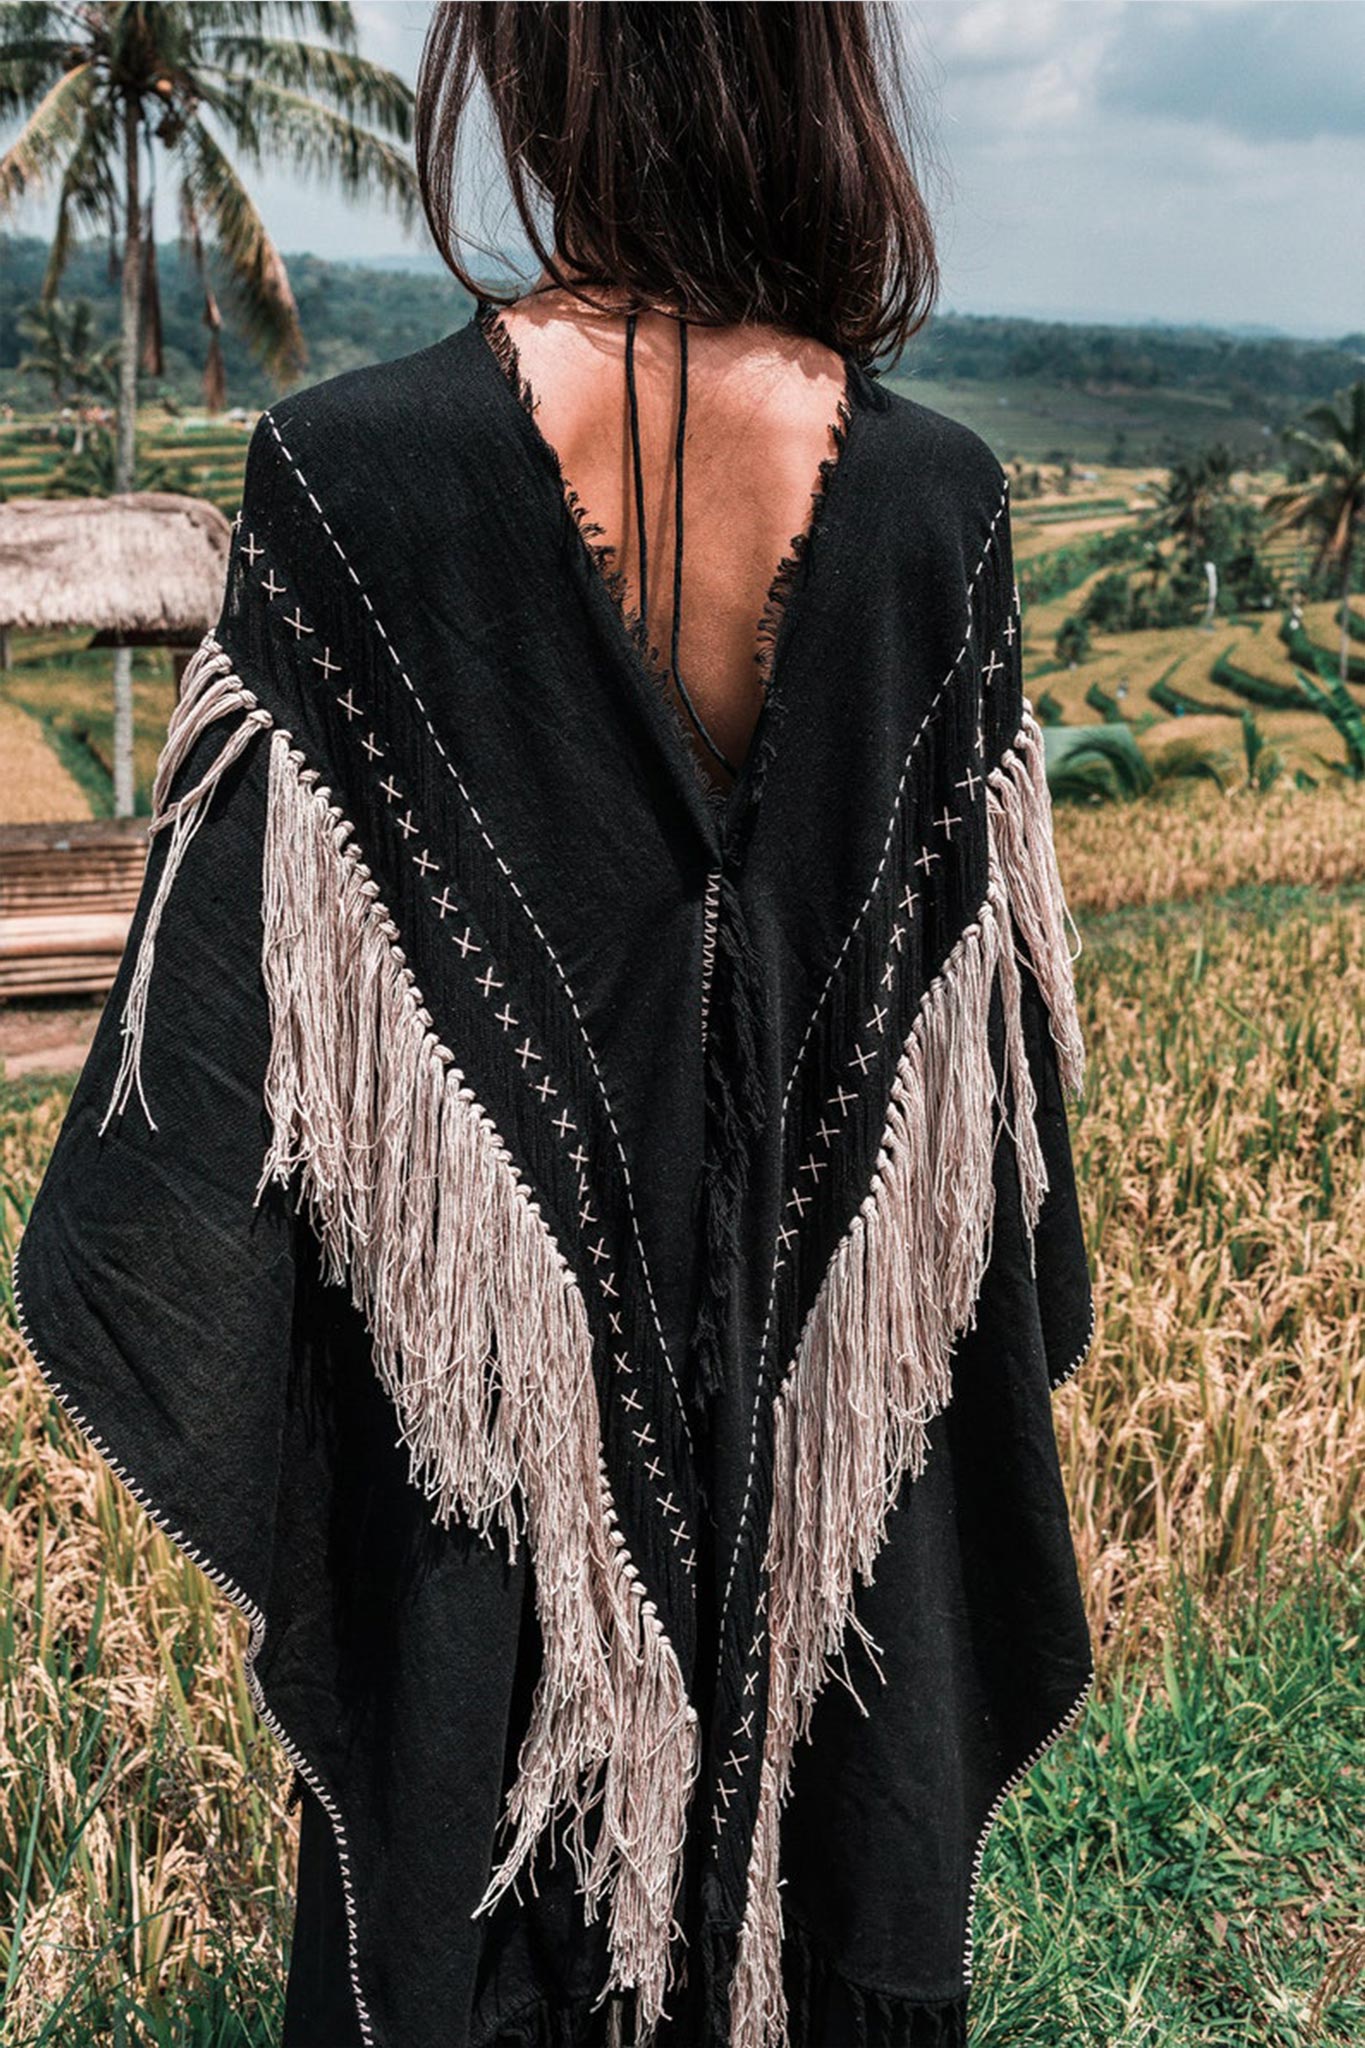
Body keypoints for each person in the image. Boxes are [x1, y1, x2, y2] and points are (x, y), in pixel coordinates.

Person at [12, 6, 1096, 2046]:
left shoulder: (348, 495)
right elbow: (989, 1209)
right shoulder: (928, 522)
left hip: (463, 1621)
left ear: (524, 58)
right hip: (830, 1657)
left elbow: (198, 1146)